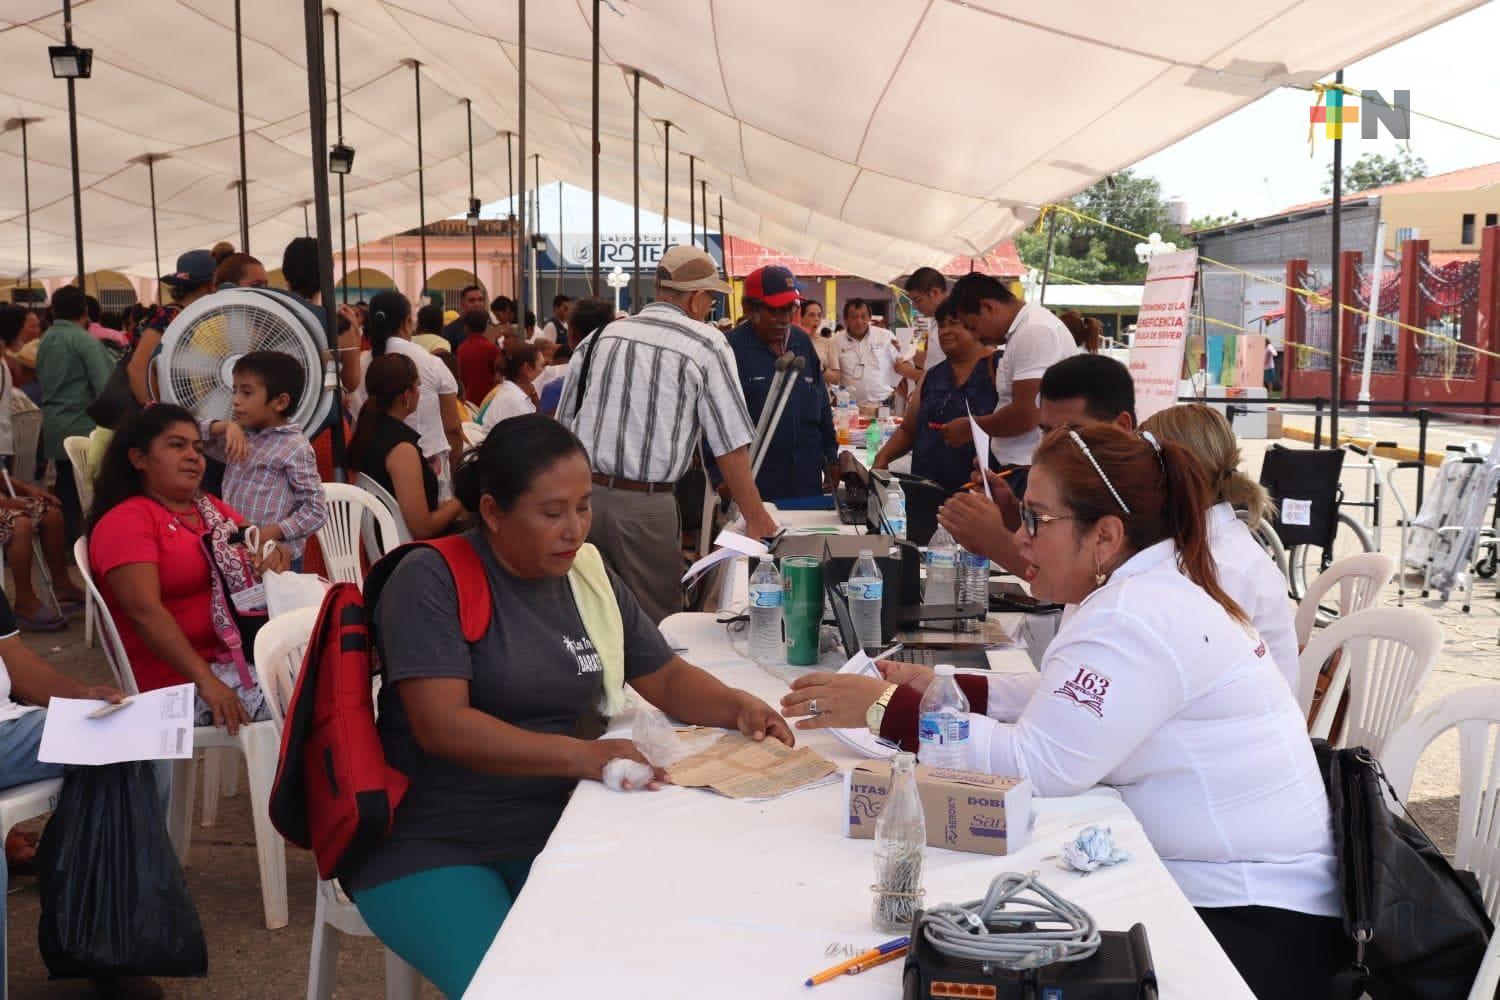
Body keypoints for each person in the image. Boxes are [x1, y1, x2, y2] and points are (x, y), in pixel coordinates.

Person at [782, 423, 1343, 999]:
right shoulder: (1147, 589)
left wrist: (884, 709)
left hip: (1254, 919)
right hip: (1240, 890)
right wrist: (940, 689)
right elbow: (1066, 701)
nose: (1021, 539)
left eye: (1037, 520)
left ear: (1104, 535)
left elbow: (1040, 764)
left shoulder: (1134, 615)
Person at [344, 415, 792, 998]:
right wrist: (586, 756)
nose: (574, 528)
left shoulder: (586, 572)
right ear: (493, 511)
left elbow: (665, 676)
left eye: (582, 506)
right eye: (551, 512)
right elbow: (442, 727)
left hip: (562, 824)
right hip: (436, 843)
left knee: (680, 953)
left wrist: (738, 707)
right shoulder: (431, 579)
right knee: (514, 989)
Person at [557, 244, 778, 622]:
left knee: (587, 617)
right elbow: (730, 446)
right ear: (695, 299)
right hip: (644, 508)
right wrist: (758, 519)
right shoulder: (705, 343)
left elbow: (562, 427)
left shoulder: (600, 338)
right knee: (660, 625)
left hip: (579, 500)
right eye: (710, 299)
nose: (710, 308)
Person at [88, 405, 289, 732]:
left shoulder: (206, 508)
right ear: (139, 458)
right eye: (176, 445)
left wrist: (274, 552)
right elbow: (145, 613)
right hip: (178, 682)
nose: (194, 456)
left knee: (342, 671)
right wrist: (206, 681)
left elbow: (256, 540)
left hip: (233, 657)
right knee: (312, 693)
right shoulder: (126, 522)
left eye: (197, 447)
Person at [0, 586, 138, 995]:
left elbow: (15, 661)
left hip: (9, 727)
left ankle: (99, 943)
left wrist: (79, 696)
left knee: (130, 742)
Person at [1141, 403, 1297, 694]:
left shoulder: (1221, 566)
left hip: (1241, 730)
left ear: (1173, 475)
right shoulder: (1210, 544)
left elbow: (1180, 673)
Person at [940, 353, 1138, 579]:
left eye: (1072, 432)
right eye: (1046, 431)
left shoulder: (1138, 495)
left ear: (1121, 426)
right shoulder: (1089, 484)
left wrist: (996, 542)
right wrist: (1011, 513)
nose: (1052, 446)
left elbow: (1080, 583)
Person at [947, 273, 1078, 495]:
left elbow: (1027, 414)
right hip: (1020, 466)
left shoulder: (1034, 332)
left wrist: (973, 427)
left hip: (1030, 467)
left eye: (973, 326)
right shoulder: (1025, 330)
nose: (976, 336)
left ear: (988, 307)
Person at [201, 351, 328, 569]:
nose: (236, 400)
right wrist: (225, 426)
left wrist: (273, 532)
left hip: (275, 556)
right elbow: (189, 433)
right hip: (238, 552)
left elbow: (316, 509)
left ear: (280, 402)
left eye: (246, 392)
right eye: (235, 390)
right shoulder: (241, 435)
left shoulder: (294, 447)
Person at [722, 266, 837, 502]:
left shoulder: (801, 341)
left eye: (790, 309)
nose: (784, 318)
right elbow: (715, 421)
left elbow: (822, 405)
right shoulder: (730, 349)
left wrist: (831, 458)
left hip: (806, 481)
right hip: (755, 486)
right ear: (749, 308)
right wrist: (721, 480)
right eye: (775, 310)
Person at [873, 298, 997, 493]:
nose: (945, 331)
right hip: (926, 491)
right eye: (941, 325)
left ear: (975, 325)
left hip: (979, 495)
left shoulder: (997, 370)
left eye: (953, 323)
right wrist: (883, 457)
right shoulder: (932, 376)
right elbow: (908, 430)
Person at [350, 355, 465, 540]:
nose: (420, 392)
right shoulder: (401, 449)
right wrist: (463, 499)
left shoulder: (370, 432)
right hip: (407, 551)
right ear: (406, 396)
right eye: (417, 385)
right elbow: (422, 529)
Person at [36, 285, 115, 540]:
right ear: (85, 310)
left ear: (53, 310)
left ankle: (64, 541)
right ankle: (81, 542)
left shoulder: (45, 339)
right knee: (85, 490)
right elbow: (106, 387)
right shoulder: (84, 341)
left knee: (65, 488)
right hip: (82, 425)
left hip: (54, 423)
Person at [367, 290, 464, 490]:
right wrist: (457, 477)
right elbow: (453, 428)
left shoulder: (360, 364)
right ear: (406, 323)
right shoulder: (430, 362)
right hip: (427, 466)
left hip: (374, 467)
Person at [130, 249, 216, 403]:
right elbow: (137, 367)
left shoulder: (190, 316)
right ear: (210, 285)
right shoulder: (170, 316)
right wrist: (157, 414)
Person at [828, 298, 901, 408]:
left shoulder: (886, 336)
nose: (859, 321)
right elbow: (833, 374)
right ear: (845, 319)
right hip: (849, 407)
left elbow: (900, 364)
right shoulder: (835, 341)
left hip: (884, 404)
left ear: (870, 318)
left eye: (863, 316)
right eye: (854, 317)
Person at [481, 344, 542, 429]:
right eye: (542, 366)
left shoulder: (513, 395)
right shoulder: (515, 401)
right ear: (527, 369)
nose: (544, 371)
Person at [903, 266, 949, 370]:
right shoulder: (928, 322)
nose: (915, 306)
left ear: (935, 293)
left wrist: (909, 372)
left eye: (918, 300)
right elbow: (924, 360)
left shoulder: (958, 320)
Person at [456, 308, 501, 404]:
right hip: (489, 402)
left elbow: (460, 376)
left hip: (468, 402)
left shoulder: (461, 349)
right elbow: (500, 377)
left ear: (466, 327)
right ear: (486, 326)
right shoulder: (492, 349)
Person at [442, 285, 488, 353]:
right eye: (471, 300)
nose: (477, 304)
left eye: (480, 300)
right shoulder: (450, 331)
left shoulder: (490, 326)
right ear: (462, 304)